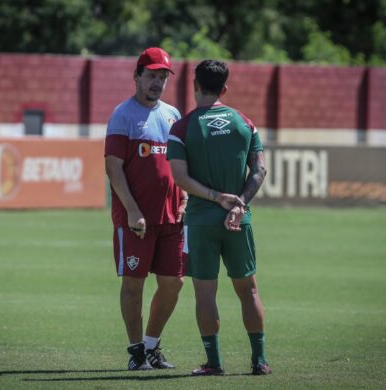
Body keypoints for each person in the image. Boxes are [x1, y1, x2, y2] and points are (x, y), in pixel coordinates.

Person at [167, 60, 271, 376]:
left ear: (195, 85)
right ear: (224, 88)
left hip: (200, 222)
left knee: (205, 292)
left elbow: (180, 178)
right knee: (249, 290)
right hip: (239, 221)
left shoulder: (182, 128)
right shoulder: (244, 123)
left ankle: (214, 363)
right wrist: (240, 204)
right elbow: (260, 169)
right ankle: (259, 361)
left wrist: (214, 197)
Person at [104, 47, 187, 371]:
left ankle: (152, 346)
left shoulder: (173, 115)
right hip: (135, 219)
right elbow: (114, 168)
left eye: (163, 76)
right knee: (134, 284)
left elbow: (181, 164)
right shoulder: (122, 115)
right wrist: (132, 210)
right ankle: (136, 352)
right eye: (151, 75)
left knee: (174, 283)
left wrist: (185, 198)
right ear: (137, 76)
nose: (157, 82)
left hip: (171, 217)